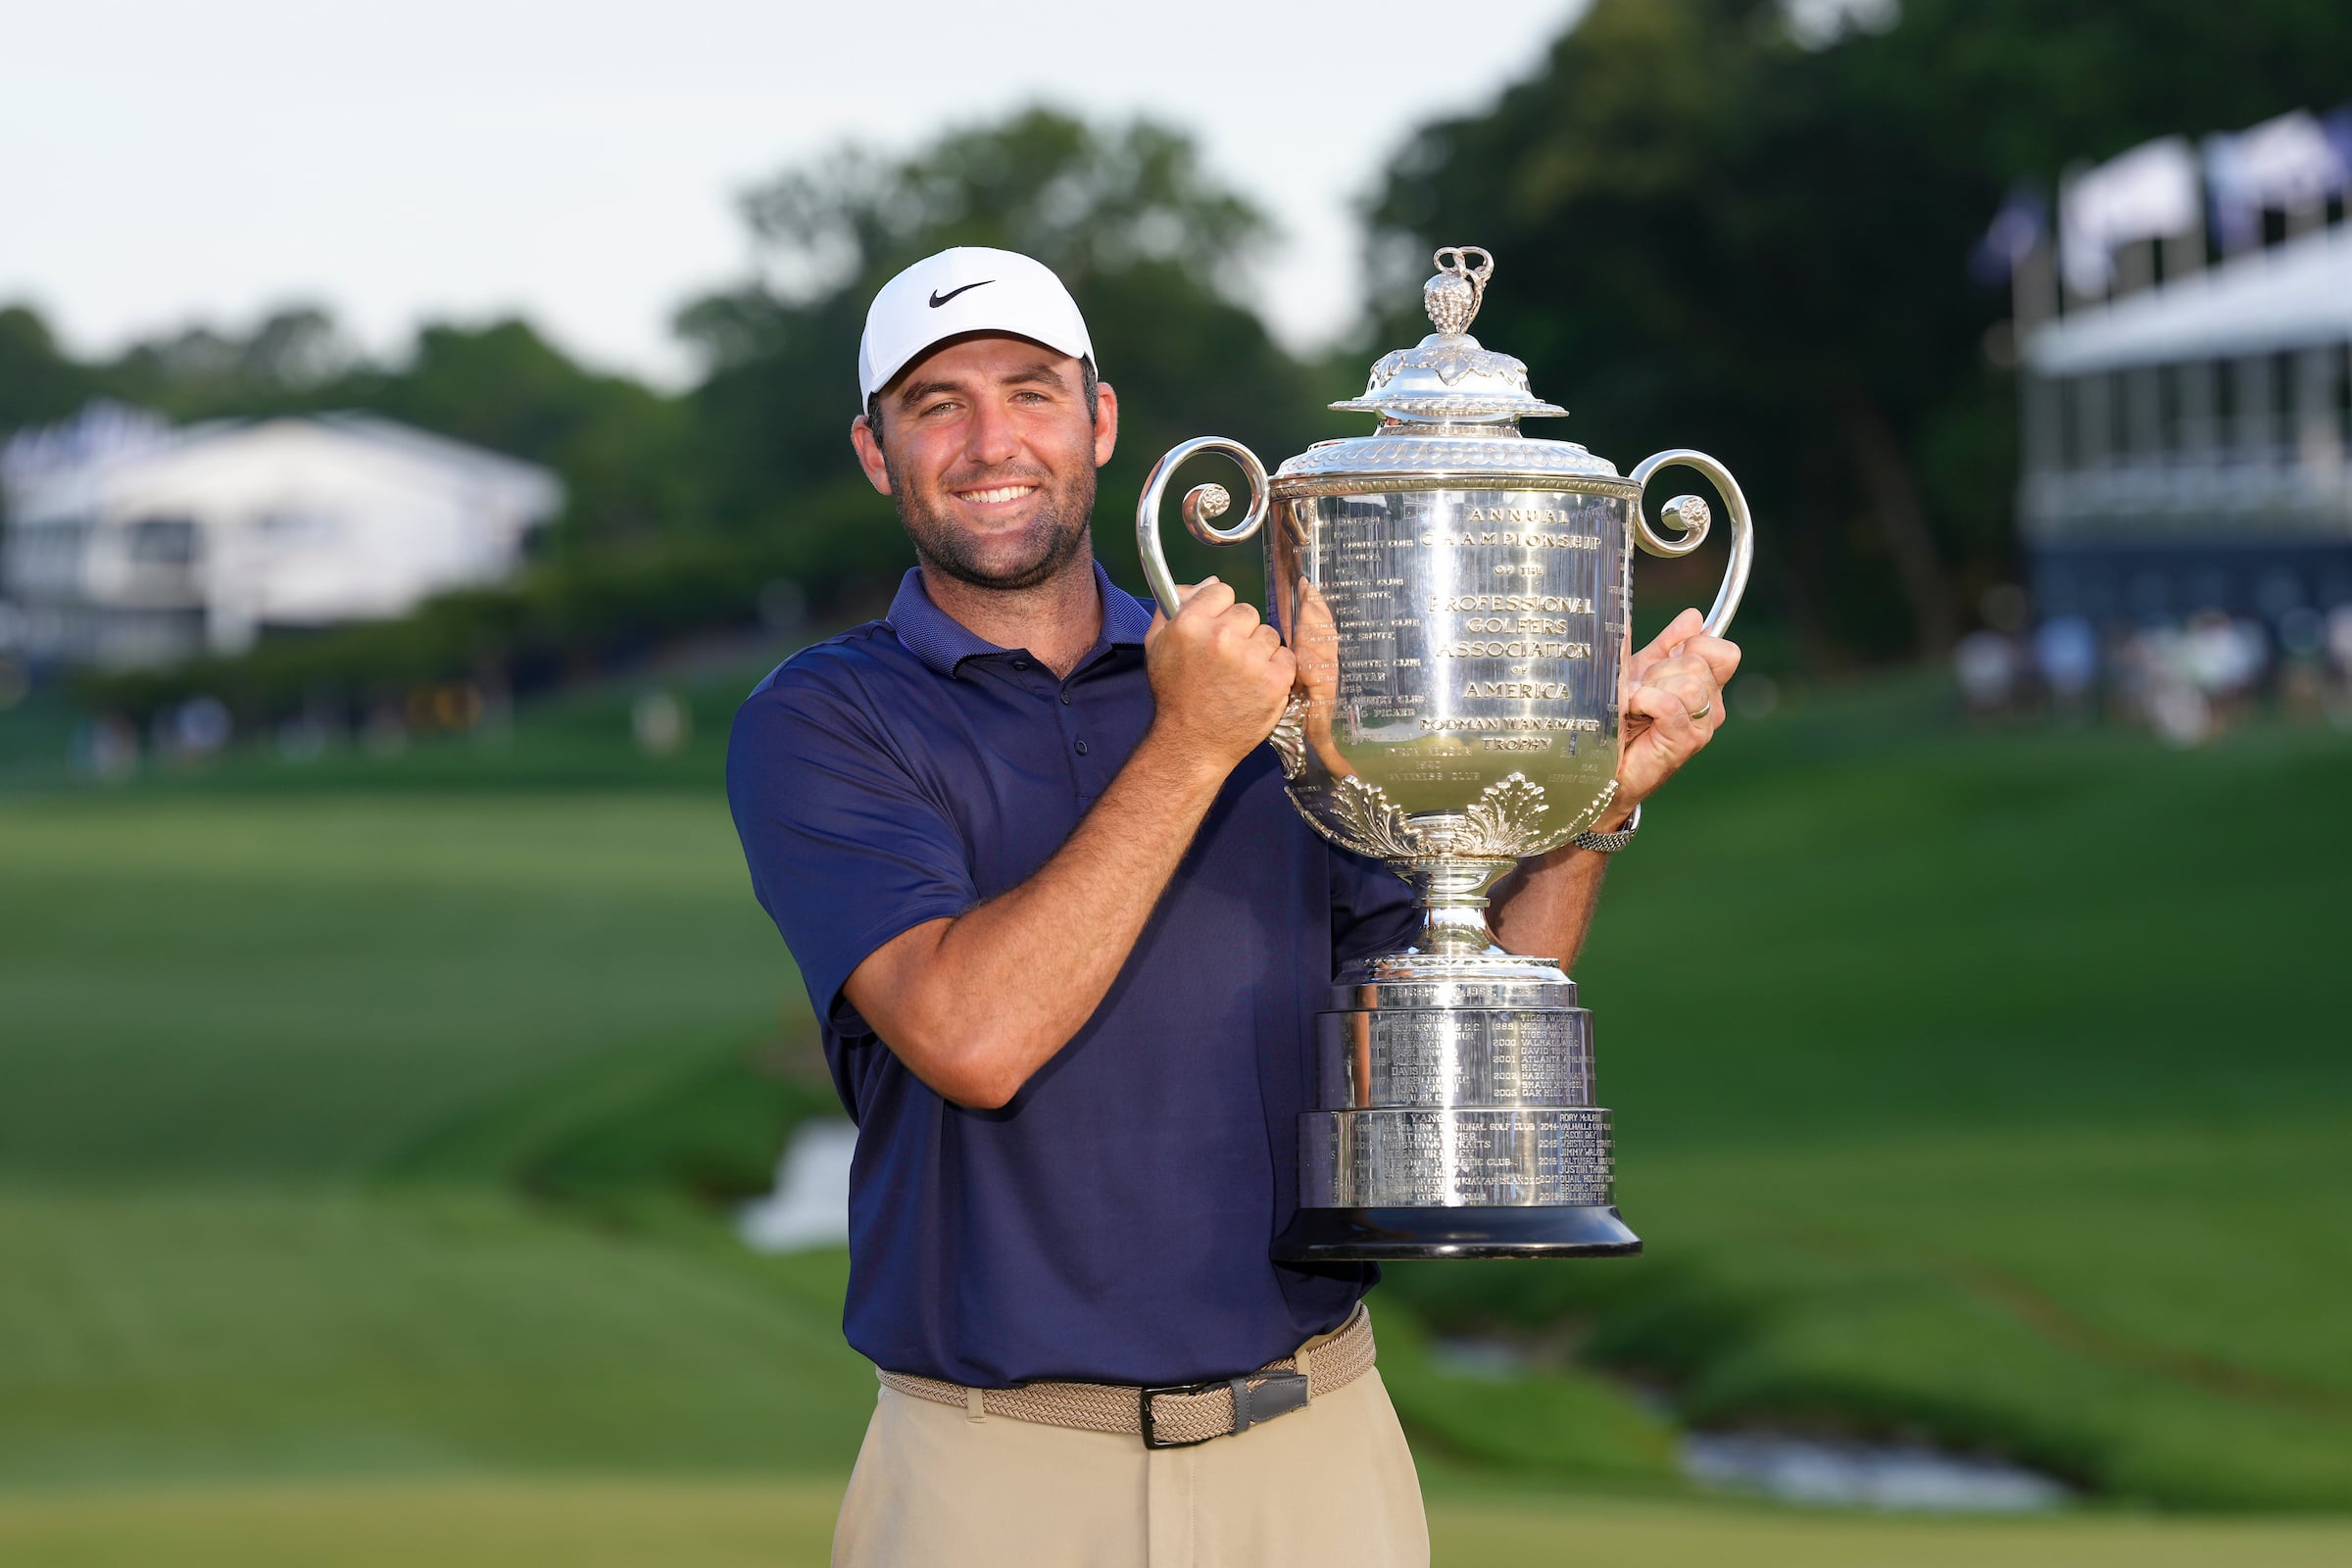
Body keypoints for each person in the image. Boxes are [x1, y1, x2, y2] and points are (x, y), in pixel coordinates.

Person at [725, 246, 1740, 1567]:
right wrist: (1193, 743)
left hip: (1310, 1453)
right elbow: (970, 1038)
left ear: (1097, 421)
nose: (991, 442)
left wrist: (1589, 806)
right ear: (876, 451)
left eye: (1031, 392)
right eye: (937, 405)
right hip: (998, 1478)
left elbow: (1435, 1044)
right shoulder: (827, 717)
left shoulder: (1284, 693)